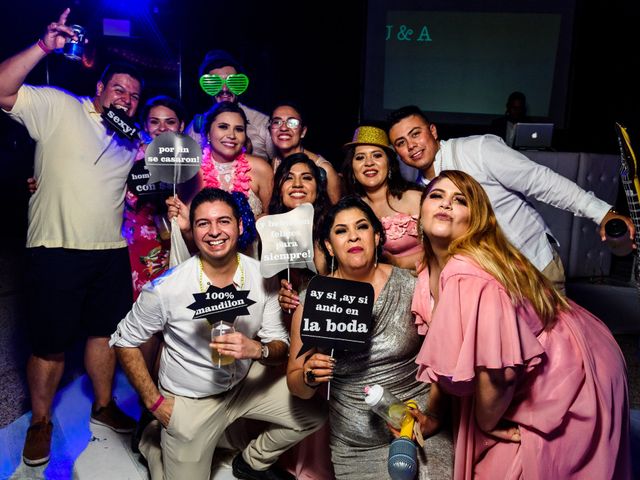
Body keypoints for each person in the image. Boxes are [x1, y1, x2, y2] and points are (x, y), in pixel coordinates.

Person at [411, 170, 631, 479]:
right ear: (420, 209)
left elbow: (499, 374)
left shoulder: (466, 274)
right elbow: (448, 355)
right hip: (560, 350)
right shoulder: (427, 269)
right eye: (437, 196)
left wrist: (486, 424)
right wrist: (435, 414)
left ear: (476, 219)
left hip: (571, 369)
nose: (446, 204)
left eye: (459, 200)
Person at [0, 8, 140, 467]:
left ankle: (103, 406)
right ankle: (40, 420)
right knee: (49, 344)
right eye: (118, 88)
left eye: (134, 95)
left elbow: (175, 165)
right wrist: (44, 47)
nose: (126, 99)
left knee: (105, 335)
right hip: (54, 249)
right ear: (99, 89)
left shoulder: (132, 143)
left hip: (110, 253)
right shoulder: (58, 106)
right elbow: (3, 89)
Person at [111, 187, 327, 480]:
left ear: (239, 226)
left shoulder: (263, 277)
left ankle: (251, 461)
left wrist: (258, 350)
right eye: (203, 223)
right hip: (192, 399)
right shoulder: (166, 289)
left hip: (243, 385)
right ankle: (152, 441)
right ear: (195, 230)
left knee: (313, 413)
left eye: (224, 221)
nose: (215, 232)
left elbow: (279, 344)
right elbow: (124, 341)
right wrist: (155, 403)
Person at [286, 196, 453, 480]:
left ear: (376, 236)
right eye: (341, 231)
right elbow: (296, 385)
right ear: (329, 245)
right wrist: (309, 376)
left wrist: (433, 420)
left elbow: (444, 361)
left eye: (361, 227)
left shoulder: (412, 287)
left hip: (420, 429)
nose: (353, 236)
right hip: (356, 446)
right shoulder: (314, 301)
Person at [387, 105, 636, 290]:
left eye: (416, 133)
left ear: (432, 131)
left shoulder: (478, 149)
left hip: (533, 269)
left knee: (555, 354)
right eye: (401, 142)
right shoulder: (420, 191)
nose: (411, 145)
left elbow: (542, 181)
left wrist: (602, 212)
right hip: (487, 284)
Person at [267, 152, 334, 479]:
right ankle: (286, 460)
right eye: (289, 178)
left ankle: (317, 466)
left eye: (306, 177)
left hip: (323, 328)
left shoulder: (331, 227)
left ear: (318, 189)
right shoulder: (270, 229)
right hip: (285, 328)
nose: (297, 184)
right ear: (279, 187)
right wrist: (282, 296)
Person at [169, 101, 272, 258]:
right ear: (208, 133)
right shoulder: (191, 174)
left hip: (253, 266)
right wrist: (185, 229)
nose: (231, 135)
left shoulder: (261, 169)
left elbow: (273, 231)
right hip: (207, 267)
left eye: (239, 129)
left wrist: (260, 224)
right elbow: (191, 244)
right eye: (223, 127)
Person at [342, 125, 424, 272]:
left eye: (377, 155)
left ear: (390, 164)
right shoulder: (351, 209)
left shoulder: (416, 199)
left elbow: (447, 248)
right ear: (352, 169)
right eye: (360, 157)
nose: (369, 163)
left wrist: (399, 262)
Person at [185, 49, 275, 160]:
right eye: (215, 83)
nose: (224, 89)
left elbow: (282, 165)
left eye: (232, 82)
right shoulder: (196, 127)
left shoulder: (261, 122)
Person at [269, 101, 341, 203]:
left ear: (303, 132)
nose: (284, 128)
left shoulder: (324, 169)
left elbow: (337, 213)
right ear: (270, 131)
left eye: (292, 123)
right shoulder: (270, 166)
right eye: (277, 122)